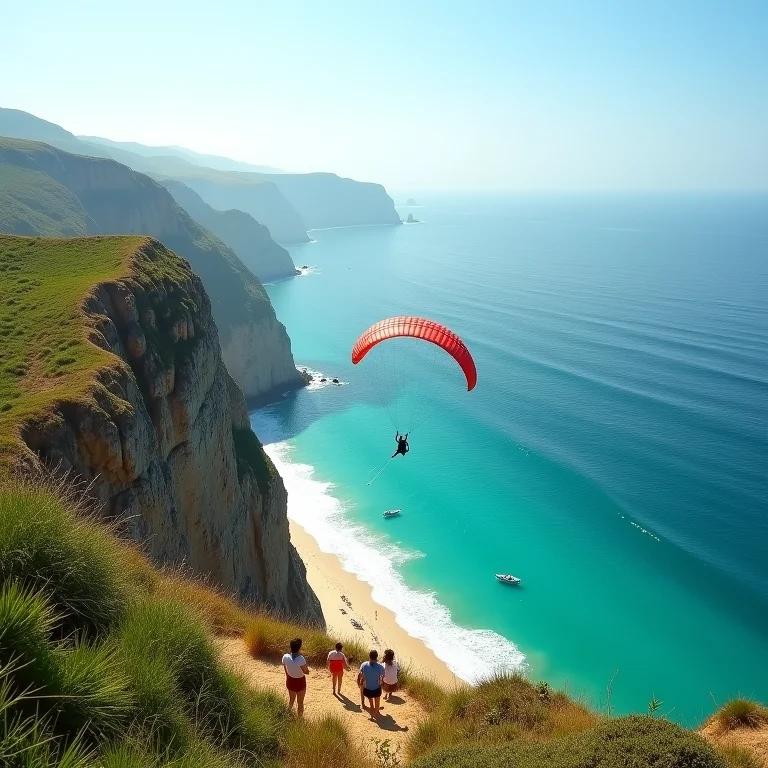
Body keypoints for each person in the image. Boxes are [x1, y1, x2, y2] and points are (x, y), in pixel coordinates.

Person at [282, 637, 309, 717]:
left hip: (290, 680)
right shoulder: (301, 659)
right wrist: (308, 671)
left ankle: (287, 714)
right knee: (300, 702)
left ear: (290, 646)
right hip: (300, 682)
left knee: (291, 699)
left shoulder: (285, 657)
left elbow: (285, 668)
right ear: (299, 647)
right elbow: (306, 671)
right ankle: (299, 719)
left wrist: (288, 676)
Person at [357, 649, 385, 718]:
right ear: (377, 657)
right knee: (377, 698)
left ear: (369, 656)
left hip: (367, 689)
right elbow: (383, 677)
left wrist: (359, 682)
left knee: (370, 697)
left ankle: (372, 708)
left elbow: (360, 675)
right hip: (376, 689)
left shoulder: (364, 665)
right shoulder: (380, 667)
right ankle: (376, 711)